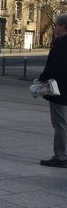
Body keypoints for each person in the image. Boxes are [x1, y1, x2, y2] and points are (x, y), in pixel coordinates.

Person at [37, 14, 67, 167]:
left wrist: (41, 79)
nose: (54, 27)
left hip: (59, 90)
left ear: (62, 27)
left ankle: (61, 156)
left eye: (56, 25)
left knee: (60, 123)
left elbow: (53, 66)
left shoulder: (61, 44)